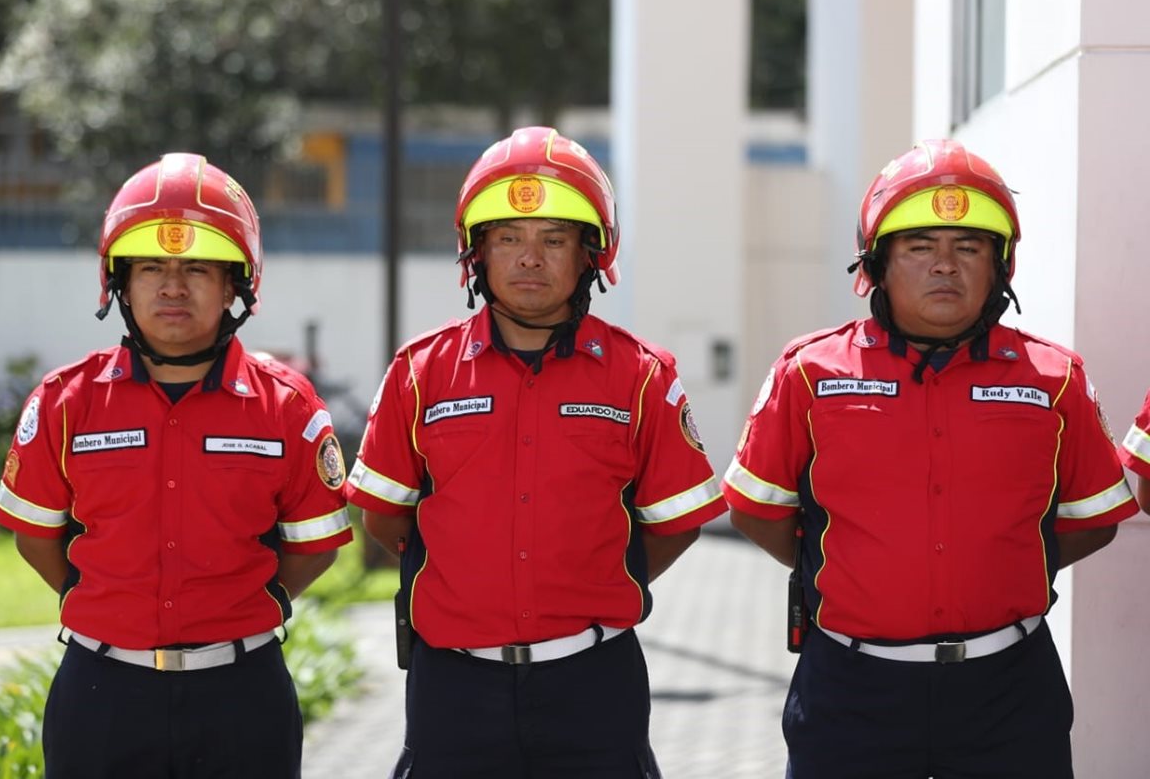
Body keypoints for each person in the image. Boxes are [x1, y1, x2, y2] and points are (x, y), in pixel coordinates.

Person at [721, 139, 1138, 778]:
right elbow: (757, 510)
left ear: (1000, 268)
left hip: (1010, 694)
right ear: (877, 265)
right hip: (850, 692)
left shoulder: (1056, 378)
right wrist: (858, 572)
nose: (945, 266)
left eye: (968, 248)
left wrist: (1001, 567)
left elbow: (1094, 519)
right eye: (920, 248)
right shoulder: (808, 372)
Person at [345, 126, 726, 777]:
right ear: (478, 253)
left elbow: (677, 521)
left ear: (590, 256)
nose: (530, 258)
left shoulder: (641, 376)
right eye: (509, 238)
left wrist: (592, 584)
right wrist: (466, 584)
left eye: (554, 240)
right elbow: (384, 517)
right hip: (453, 690)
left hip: (594, 686)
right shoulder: (419, 373)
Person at [0, 153, 354, 779]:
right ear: (120, 284)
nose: (172, 287)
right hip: (100, 696)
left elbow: (315, 546)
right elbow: (34, 535)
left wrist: (237, 607)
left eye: (197, 269)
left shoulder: (288, 407)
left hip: (243, 698)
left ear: (237, 283)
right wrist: (109, 606)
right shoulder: (64, 402)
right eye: (152, 267)